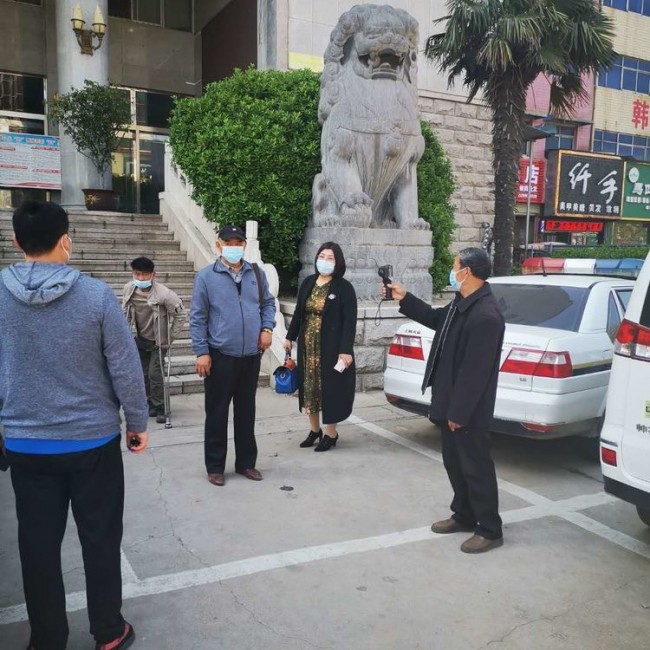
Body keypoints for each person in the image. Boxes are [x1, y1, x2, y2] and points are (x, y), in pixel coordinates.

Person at [0, 200, 149, 650]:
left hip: (26, 444)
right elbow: (125, 367)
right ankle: (108, 631)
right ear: (66, 240)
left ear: (17, 241)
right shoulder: (96, 295)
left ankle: (47, 639)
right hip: (92, 443)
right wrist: (137, 422)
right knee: (100, 539)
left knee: (37, 547)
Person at [385, 247, 505, 554]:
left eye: (455, 266)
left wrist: (459, 413)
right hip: (449, 399)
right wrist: (405, 297)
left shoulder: (486, 316)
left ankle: (489, 529)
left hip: (468, 409)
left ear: (468, 272)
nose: (452, 271)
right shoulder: (462, 303)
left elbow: (475, 373)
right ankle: (464, 515)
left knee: (475, 467)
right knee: (455, 463)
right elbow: (436, 318)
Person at [190, 225, 276, 486]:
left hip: (250, 355)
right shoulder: (206, 277)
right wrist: (201, 352)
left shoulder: (256, 273)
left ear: (244, 246)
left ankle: (246, 463)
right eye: (229, 243)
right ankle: (215, 466)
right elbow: (198, 317)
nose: (234, 247)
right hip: (221, 355)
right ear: (219, 245)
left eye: (238, 243)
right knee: (217, 413)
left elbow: (268, 303)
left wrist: (267, 328)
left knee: (246, 412)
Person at [284, 242, 357, 451]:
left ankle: (331, 433)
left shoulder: (344, 288)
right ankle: (314, 430)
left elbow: (349, 322)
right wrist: (290, 336)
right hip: (308, 346)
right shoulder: (308, 282)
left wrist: (345, 350)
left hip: (331, 348)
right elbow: (299, 313)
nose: (325, 261)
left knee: (331, 389)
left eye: (330, 258)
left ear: (338, 262)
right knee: (309, 388)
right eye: (322, 256)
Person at [122, 256, 186, 424]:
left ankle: (161, 406)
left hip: (159, 341)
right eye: (137, 274)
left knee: (155, 374)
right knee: (143, 374)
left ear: (153, 275)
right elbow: (124, 312)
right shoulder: (129, 289)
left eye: (145, 274)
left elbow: (181, 315)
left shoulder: (165, 294)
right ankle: (150, 402)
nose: (141, 278)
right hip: (140, 338)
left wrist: (170, 337)